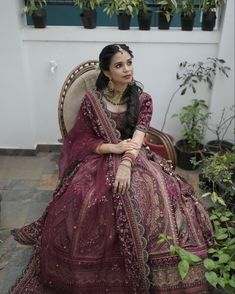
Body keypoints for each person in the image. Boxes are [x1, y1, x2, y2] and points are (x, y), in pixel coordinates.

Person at [11, 44, 214, 294]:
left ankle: (166, 265)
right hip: (101, 155)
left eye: (129, 62)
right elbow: (83, 141)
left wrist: (126, 163)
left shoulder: (142, 99)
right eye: (119, 65)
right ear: (107, 72)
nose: (127, 69)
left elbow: (139, 137)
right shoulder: (93, 101)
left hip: (134, 155)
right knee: (86, 198)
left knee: (158, 190)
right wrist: (114, 148)